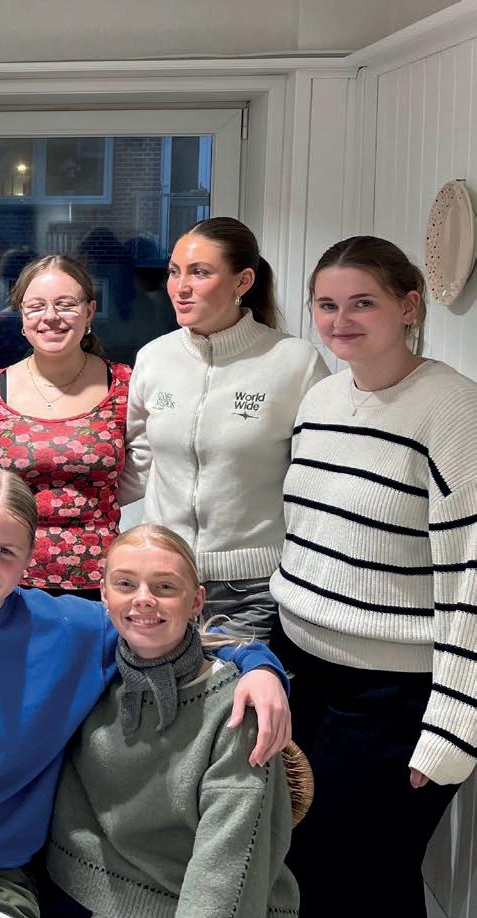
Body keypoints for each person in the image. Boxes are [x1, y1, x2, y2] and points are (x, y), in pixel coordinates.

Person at [0, 468, 291, 918]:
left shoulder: (68, 630)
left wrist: (260, 665)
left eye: (6, 551)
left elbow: (172, 629)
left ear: (29, 556)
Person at [269, 236, 477, 915]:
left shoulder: (453, 410)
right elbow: (308, 532)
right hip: (300, 668)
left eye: (363, 302)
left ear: (408, 306)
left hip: (391, 695)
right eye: (326, 305)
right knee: (296, 862)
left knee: (364, 875)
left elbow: (470, 576)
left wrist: (453, 724)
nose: (340, 320)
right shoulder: (321, 399)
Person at [44, 524, 299, 918]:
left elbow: (226, 869)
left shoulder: (236, 709)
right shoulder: (90, 663)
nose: (143, 599)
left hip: (188, 900)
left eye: (165, 587)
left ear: (196, 601)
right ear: (104, 594)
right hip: (77, 885)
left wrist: (261, 666)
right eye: (126, 584)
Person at [121, 217, 329, 638]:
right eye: (174, 272)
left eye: (199, 273)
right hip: (161, 578)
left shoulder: (295, 362)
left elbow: (319, 481)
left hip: (254, 587)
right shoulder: (154, 358)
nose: (181, 287)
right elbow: (139, 463)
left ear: (243, 281)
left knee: (236, 684)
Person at [0, 255, 131, 599]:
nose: (51, 316)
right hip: (10, 580)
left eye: (66, 304)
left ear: (89, 311)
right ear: (22, 317)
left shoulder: (126, 383)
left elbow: (144, 474)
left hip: (104, 583)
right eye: (36, 306)